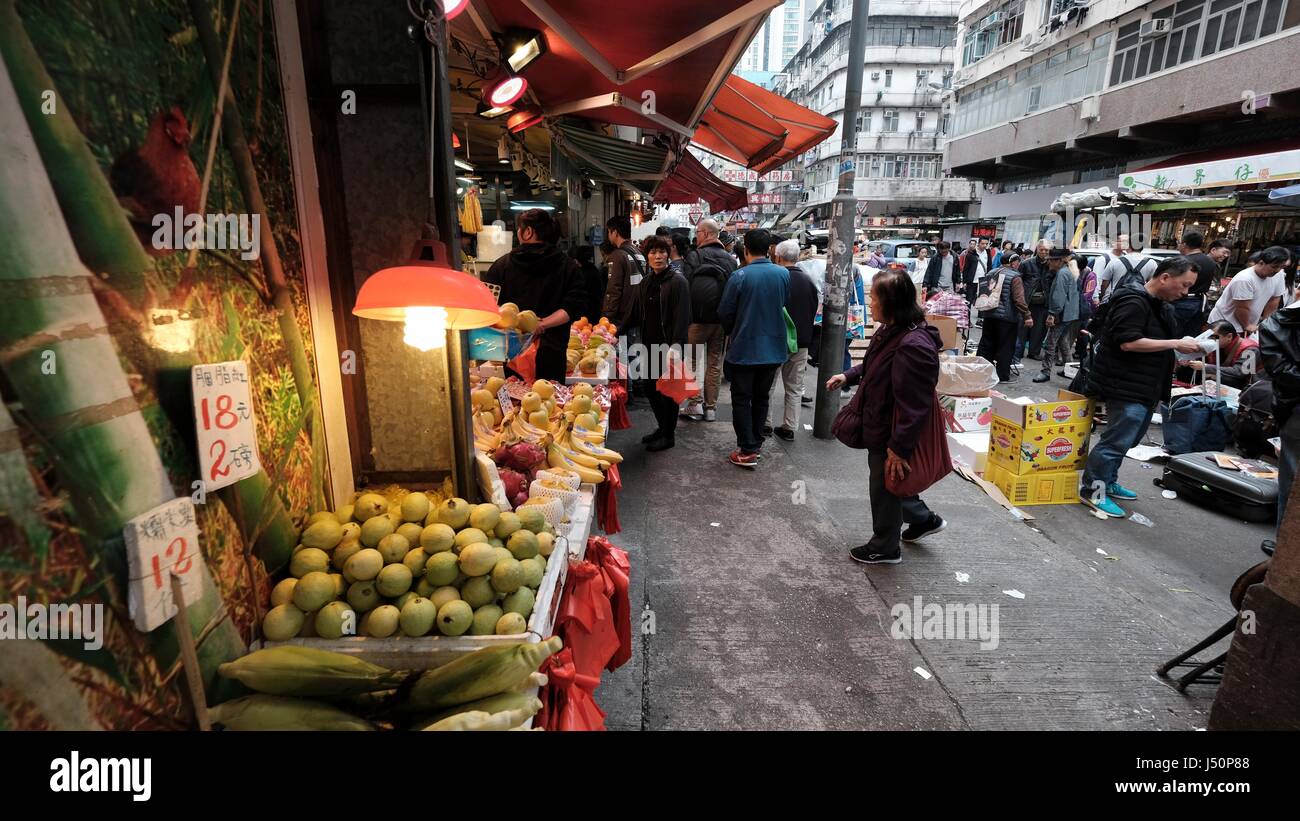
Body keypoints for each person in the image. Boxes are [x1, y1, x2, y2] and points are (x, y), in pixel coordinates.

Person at [826, 269, 946, 564]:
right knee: (891, 483)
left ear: (891, 303)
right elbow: (873, 364)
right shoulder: (891, 330)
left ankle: (885, 547)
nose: (871, 305)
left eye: (874, 299)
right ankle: (924, 520)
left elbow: (914, 406)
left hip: (891, 430)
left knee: (884, 487)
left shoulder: (913, 345)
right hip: (880, 421)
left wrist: (899, 448)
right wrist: (849, 375)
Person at [1080, 257, 1202, 517]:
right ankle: (1093, 490)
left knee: (1130, 439)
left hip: (1147, 386)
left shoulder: (1160, 306)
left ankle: (1108, 481)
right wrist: (1175, 343)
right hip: (1125, 385)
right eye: (1184, 285)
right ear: (1165, 277)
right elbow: (1129, 342)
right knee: (1116, 440)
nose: (1185, 292)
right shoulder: (1133, 301)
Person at [482, 208, 586, 382]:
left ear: (528, 232)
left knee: (517, 404)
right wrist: (542, 324)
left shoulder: (501, 266)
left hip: (514, 353)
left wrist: (518, 324)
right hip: (553, 352)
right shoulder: (569, 267)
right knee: (550, 404)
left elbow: (487, 305)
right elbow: (573, 306)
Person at [717, 229, 790, 468]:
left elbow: (725, 312)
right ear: (769, 248)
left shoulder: (740, 276)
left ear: (745, 249)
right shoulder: (782, 274)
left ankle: (747, 449)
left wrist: (733, 330)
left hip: (745, 348)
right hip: (773, 347)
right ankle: (755, 444)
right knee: (762, 398)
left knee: (741, 398)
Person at [635, 235, 692, 452]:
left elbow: (683, 316)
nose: (658, 256)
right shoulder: (646, 282)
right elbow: (636, 312)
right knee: (651, 389)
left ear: (668, 254)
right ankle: (662, 427)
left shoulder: (678, 282)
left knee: (668, 393)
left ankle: (669, 435)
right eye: (653, 252)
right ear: (647, 256)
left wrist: (676, 346)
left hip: (669, 348)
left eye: (662, 252)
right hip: (649, 346)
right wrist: (614, 330)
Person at [680, 219, 738, 422]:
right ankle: (711, 408)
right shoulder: (730, 260)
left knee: (691, 362)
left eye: (697, 232)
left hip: (696, 320)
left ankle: (694, 404)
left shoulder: (694, 256)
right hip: (720, 322)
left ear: (705, 234)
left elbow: (685, 288)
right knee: (714, 364)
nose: (695, 236)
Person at [765, 239, 818, 440]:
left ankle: (766, 423)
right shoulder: (808, 281)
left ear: (778, 256)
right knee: (794, 388)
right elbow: (813, 310)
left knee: (768, 386)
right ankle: (789, 427)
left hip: (776, 341)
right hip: (801, 343)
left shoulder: (776, 279)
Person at [1258, 301, 1300, 536]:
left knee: (1292, 475)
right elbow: (1282, 371)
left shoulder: (1276, 324)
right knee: (1292, 476)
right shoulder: (1277, 324)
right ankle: (1286, 541)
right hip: (1295, 407)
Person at [1205, 246, 1290, 333]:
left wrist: (1266, 322)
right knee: (1214, 345)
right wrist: (1247, 325)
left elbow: (1274, 299)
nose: (1277, 270)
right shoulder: (1244, 279)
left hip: (1248, 324)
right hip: (1222, 323)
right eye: (1274, 266)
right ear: (1261, 263)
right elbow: (1242, 307)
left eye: (1281, 267)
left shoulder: (1279, 274)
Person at [975, 253, 1031, 383]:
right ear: (1013, 263)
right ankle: (1002, 375)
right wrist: (1027, 315)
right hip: (1007, 318)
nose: (1018, 264)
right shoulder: (1015, 277)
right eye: (1017, 262)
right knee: (1006, 346)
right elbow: (1019, 300)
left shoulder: (991, 272)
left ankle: (983, 373)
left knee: (987, 345)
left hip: (989, 314)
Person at [1035, 249, 1080, 383]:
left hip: (1061, 313)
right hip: (1069, 313)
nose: (1049, 262)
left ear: (1059, 261)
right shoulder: (1068, 271)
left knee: (1050, 343)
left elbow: (1058, 296)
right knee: (1063, 342)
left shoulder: (1062, 273)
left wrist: (1052, 314)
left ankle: (1046, 371)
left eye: (1051, 260)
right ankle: (1071, 369)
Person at [602, 215, 646, 329]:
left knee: (622, 346)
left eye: (609, 232)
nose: (608, 236)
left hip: (622, 319)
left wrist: (607, 317)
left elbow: (614, 289)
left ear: (615, 232)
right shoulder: (639, 253)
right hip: (637, 314)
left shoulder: (617, 255)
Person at [1186, 321, 1260, 389]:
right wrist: (1190, 360)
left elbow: (1240, 372)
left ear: (1229, 336)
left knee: (1213, 376)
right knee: (1186, 371)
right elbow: (1205, 359)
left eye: (1214, 337)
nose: (1210, 340)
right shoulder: (1217, 344)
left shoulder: (1251, 349)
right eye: (1209, 337)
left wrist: (1205, 366)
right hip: (1225, 376)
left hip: (1246, 385)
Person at [1175, 229, 1219, 337]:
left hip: (1181, 301)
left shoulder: (1182, 261)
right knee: (1191, 335)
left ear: (1184, 244)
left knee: (1175, 333)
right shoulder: (1211, 262)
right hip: (1201, 304)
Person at [1017, 239, 1053, 361]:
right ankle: (1018, 351)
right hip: (1027, 301)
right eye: (1041, 249)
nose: (1043, 252)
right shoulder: (1026, 264)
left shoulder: (1052, 265)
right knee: (1022, 328)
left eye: (1046, 250)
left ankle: (1034, 352)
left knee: (1039, 329)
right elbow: (1018, 282)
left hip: (1043, 303)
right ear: (1037, 249)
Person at [1097, 234, 1156, 303]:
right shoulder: (1152, 263)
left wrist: (1103, 297)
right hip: (1139, 302)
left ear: (1129, 245)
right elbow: (1153, 285)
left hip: (1116, 300)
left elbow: (1104, 284)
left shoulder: (1115, 262)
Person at [569, 245, 607, 325]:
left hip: (585, 314)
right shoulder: (594, 269)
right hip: (596, 310)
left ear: (576, 260)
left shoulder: (580, 274)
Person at [962, 237, 996, 303]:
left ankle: (980, 313)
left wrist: (990, 279)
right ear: (978, 244)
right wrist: (964, 281)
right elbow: (966, 268)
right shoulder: (971, 254)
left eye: (986, 244)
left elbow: (989, 267)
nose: (985, 245)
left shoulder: (988, 253)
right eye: (982, 243)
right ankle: (968, 313)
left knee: (982, 301)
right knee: (969, 300)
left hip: (983, 281)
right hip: (972, 281)